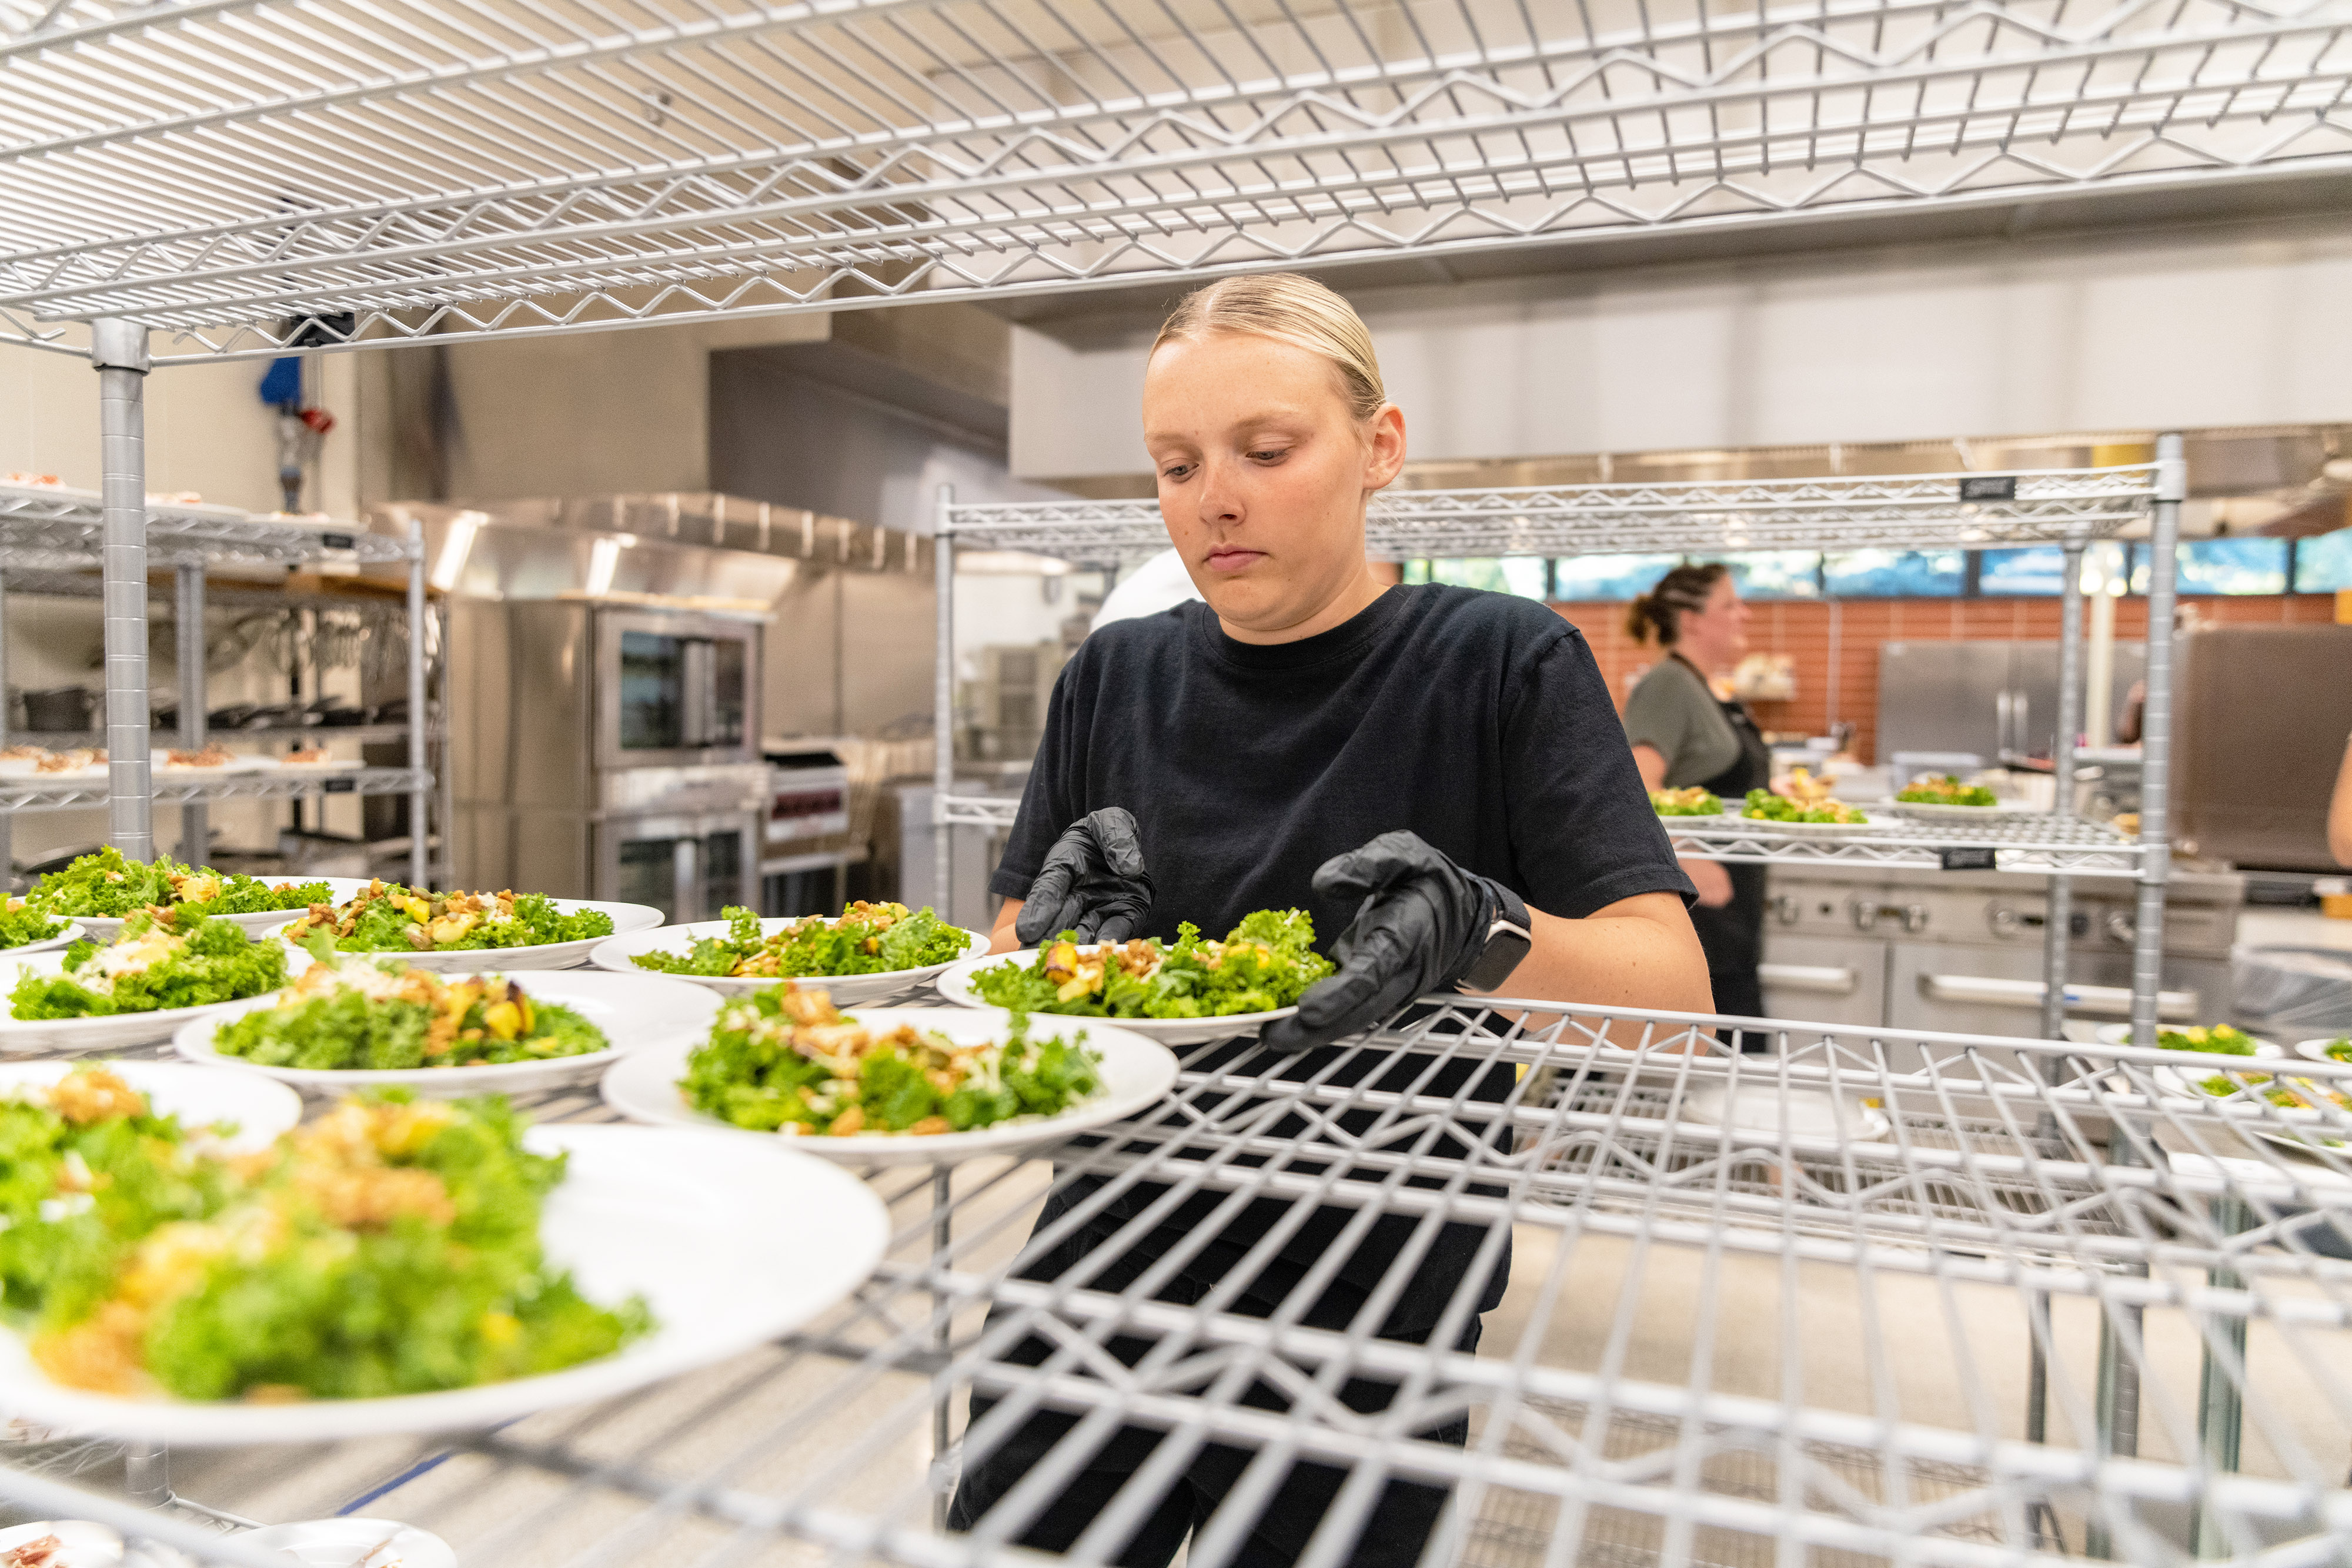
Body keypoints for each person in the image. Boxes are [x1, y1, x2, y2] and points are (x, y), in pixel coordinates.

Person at [946, 272, 1711, 1568]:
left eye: (1264, 449)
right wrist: (1049, 947)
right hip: (1104, 1257)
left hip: (1368, 1296)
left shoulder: (1500, 663)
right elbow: (1014, 946)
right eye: (1175, 464)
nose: (1214, 499)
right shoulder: (1114, 673)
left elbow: (1673, 1006)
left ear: (1379, 448)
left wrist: (1485, 928)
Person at [1621, 563, 1768, 1028]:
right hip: (1699, 907)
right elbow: (1636, 782)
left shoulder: (1701, 686)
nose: (1745, 614)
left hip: (1729, 905)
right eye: (1730, 604)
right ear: (1692, 620)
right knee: (1716, 1057)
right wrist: (1683, 856)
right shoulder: (1668, 684)